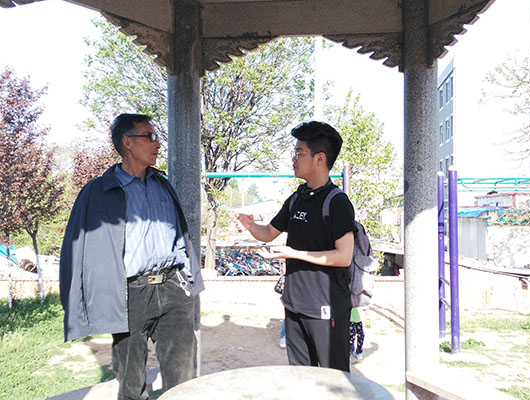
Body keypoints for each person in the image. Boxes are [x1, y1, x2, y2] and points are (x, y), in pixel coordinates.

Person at [59, 113, 204, 400]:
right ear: (128, 142)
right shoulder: (97, 192)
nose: (158, 144)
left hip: (174, 288)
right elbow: (77, 247)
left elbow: (179, 235)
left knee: (182, 379)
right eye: (150, 137)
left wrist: (187, 278)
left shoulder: (162, 185)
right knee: (131, 380)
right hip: (129, 294)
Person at [236, 121, 355, 372]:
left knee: (334, 380)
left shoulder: (337, 202)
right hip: (294, 304)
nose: (293, 159)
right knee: (300, 376)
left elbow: (344, 256)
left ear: (320, 158)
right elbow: (269, 233)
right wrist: (250, 225)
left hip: (326, 308)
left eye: (300, 153)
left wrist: (294, 254)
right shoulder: (297, 198)